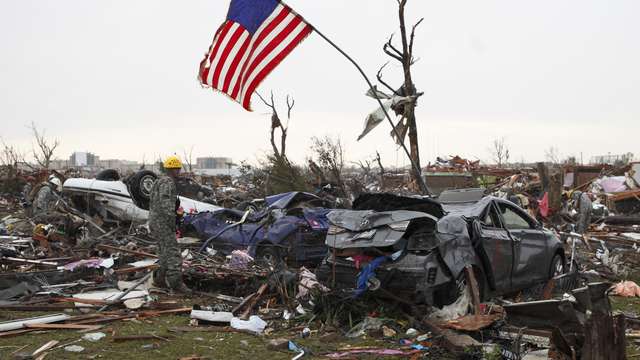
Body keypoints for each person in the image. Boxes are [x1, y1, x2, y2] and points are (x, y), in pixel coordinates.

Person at [150, 155, 190, 293]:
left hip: (155, 222)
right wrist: (173, 222)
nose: (179, 172)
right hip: (163, 223)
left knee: (163, 252)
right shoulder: (168, 182)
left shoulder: (158, 181)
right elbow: (166, 204)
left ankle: (159, 280)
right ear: (173, 170)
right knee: (173, 253)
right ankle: (176, 284)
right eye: (178, 169)